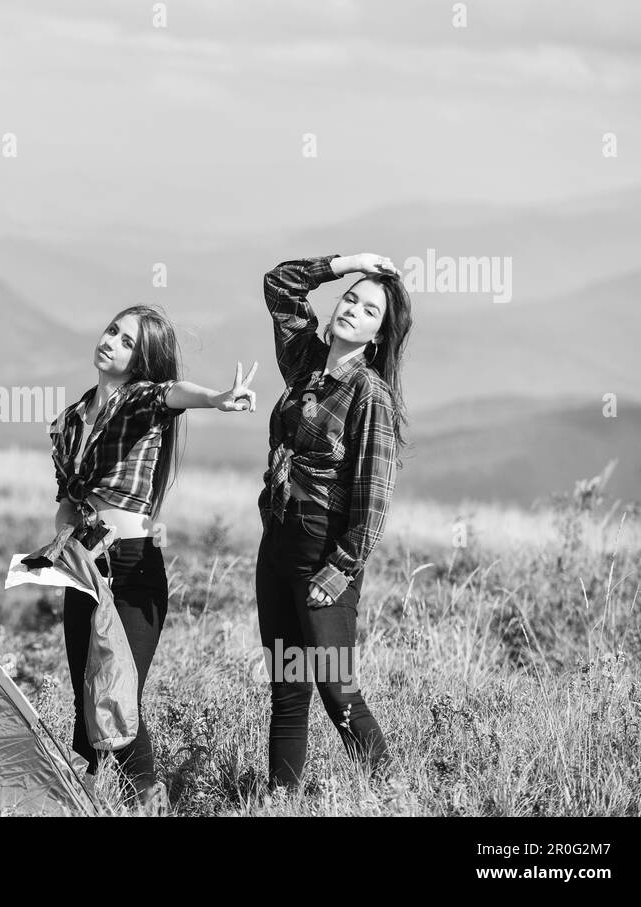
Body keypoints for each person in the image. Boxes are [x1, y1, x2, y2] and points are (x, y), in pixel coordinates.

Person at [50, 304, 258, 811]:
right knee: (89, 695)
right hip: (84, 565)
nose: (111, 342)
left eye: (126, 341)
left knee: (119, 691)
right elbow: (65, 504)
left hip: (133, 569)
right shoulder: (70, 420)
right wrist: (62, 549)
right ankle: (100, 797)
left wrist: (218, 399)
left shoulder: (139, 402)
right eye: (113, 330)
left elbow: (172, 395)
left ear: (142, 360)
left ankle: (149, 800)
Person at [254, 252, 412, 794]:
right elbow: (279, 285)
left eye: (370, 310)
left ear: (378, 333)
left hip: (324, 551)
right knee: (288, 684)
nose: (353, 310)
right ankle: (282, 800)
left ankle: (392, 793)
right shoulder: (306, 363)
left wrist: (341, 568)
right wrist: (350, 263)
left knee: (336, 686)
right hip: (278, 539)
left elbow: (375, 495)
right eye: (350, 298)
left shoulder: (370, 394)